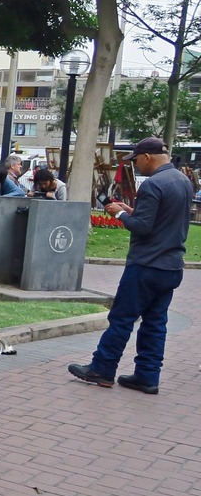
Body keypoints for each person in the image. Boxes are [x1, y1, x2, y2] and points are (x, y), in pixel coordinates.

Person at [68, 137, 194, 395]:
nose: (135, 166)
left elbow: (143, 228)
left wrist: (120, 214)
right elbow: (163, 220)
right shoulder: (184, 182)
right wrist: (132, 211)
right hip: (171, 266)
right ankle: (147, 376)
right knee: (156, 322)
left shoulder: (153, 184)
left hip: (146, 265)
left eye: (135, 160)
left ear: (147, 157)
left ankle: (102, 369)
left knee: (122, 318)